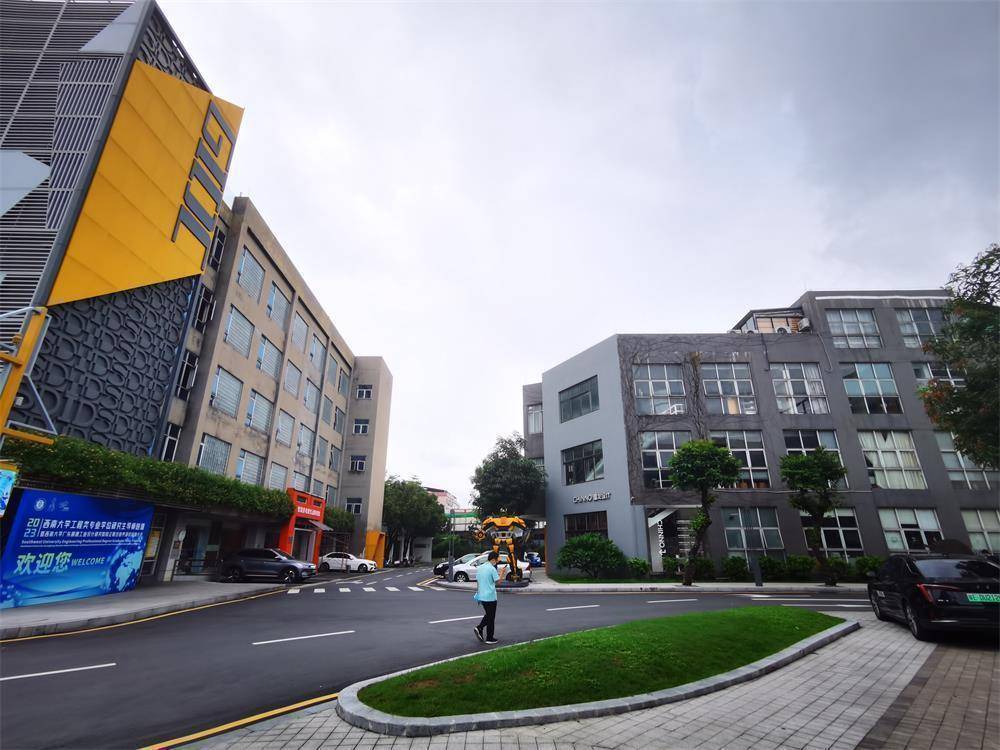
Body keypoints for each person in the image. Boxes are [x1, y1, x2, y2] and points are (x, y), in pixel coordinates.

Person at [474, 550, 501, 644]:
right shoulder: (492, 569)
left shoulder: (480, 568)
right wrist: (502, 572)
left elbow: (478, 582)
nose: (497, 562)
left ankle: (480, 629)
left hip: (482, 596)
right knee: (491, 617)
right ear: (493, 559)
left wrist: (478, 595)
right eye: (497, 560)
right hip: (490, 597)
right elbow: (498, 582)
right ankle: (489, 637)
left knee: (489, 615)